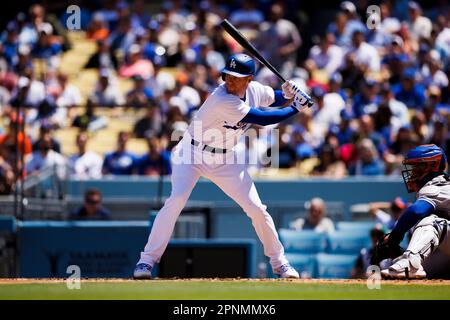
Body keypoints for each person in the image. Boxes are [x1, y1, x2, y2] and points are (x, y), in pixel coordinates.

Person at [133, 53, 313, 279]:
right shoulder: (222, 99)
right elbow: (264, 118)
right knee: (176, 200)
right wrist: (296, 106)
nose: (229, 81)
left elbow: (273, 98)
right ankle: (146, 261)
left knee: (257, 209)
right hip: (191, 153)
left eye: (236, 77)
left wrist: (287, 94)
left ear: (248, 79)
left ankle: (280, 263)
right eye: (227, 75)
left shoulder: (255, 90)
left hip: (226, 158)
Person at [373, 144, 450, 279]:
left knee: (430, 221)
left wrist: (394, 237)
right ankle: (408, 265)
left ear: (432, 167)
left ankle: (410, 263)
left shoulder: (436, 185)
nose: (412, 172)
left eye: (417, 168)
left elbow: (415, 212)